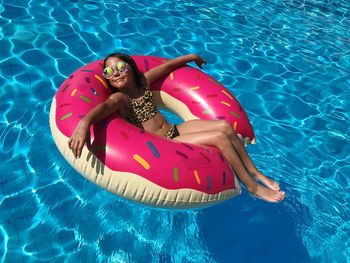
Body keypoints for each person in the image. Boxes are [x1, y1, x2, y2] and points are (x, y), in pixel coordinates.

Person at [68, 53, 285, 203]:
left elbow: (167, 67)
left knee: (225, 127)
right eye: (108, 72)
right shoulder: (119, 99)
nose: (114, 73)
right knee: (219, 137)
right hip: (167, 143)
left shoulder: (143, 83)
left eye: (120, 67)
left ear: (131, 70)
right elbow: (102, 109)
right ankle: (253, 187)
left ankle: (255, 171)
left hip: (176, 129)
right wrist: (83, 125)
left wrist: (191, 57)